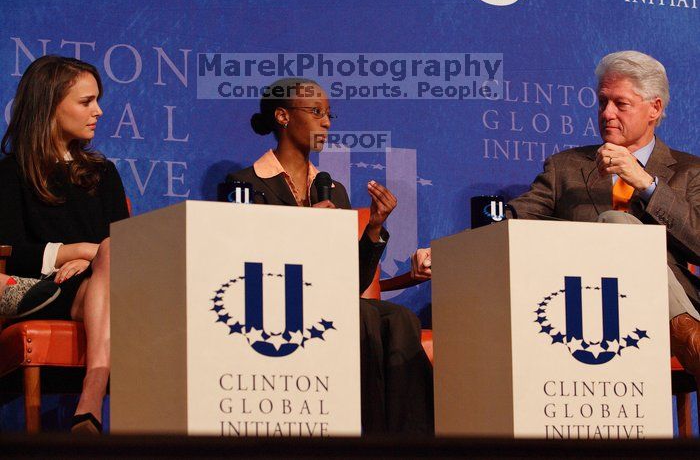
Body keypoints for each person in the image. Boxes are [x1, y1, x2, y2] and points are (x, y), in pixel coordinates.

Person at [411, 50, 700, 382]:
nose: (606, 114)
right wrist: (447, 255)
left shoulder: (690, 172)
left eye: (620, 104)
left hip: (657, 310)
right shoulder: (566, 168)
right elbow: (514, 223)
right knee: (615, 222)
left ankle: (683, 331)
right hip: (578, 310)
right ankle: (690, 340)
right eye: (602, 102)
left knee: (620, 225)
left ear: (654, 108)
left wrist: (647, 185)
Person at [228, 78, 434, 435]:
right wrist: (304, 230)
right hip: (278, 298)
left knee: (401, 318)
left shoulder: (330, 188)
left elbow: (352, 281)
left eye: (329, 114)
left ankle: (410, 439)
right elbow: (244, 260)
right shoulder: (246, 183)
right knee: (363, 318)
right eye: (316, 112)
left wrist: (374, 228)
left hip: (329, 298)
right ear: (283, 116)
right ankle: (364, 435)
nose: (327, 122)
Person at [0, 55, 129, 433]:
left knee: (115, 254)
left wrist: (96, 258)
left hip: (97, 285)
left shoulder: (102, 173)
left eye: (97, 100)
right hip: (37, 291)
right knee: (105, 252)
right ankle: (92, 403)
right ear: (49, 105)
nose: (99, 111)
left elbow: (122, 247)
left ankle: (89, 399)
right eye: (86, 102)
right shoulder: (10, 173)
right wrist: (78, 252)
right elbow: (9, 250)